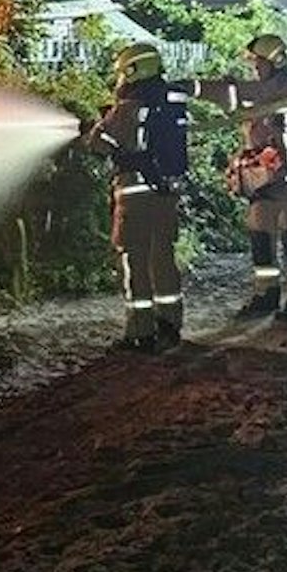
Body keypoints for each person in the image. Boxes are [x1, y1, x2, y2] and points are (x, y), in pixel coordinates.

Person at [189, 33, 287, 322]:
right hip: (261, 178)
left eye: (258, 63)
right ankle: (266, 294)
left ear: (275, 62)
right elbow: (232, 92)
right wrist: (193, 88)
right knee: (260, 235)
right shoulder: (255, 90)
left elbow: (250, 95)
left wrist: (202, 88)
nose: (254, 68)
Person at [83, 42, 190, 352]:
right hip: (166, 192)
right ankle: (169, 324)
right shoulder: (173, 99)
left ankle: (139, 331)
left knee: (134, 259)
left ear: (132, 71)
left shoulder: (128, 107)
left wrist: (93, 128)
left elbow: (98, 142)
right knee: (163, 257)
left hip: (134, 193)